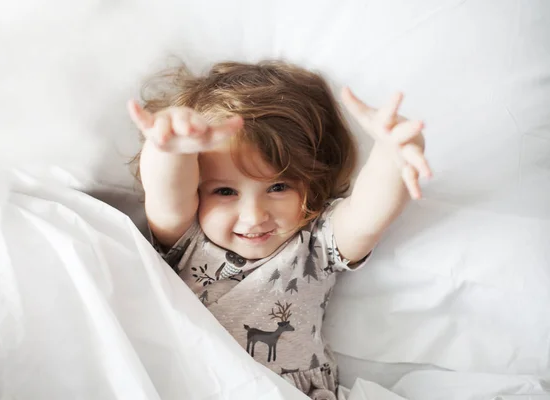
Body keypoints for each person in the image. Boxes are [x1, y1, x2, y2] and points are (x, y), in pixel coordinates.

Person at [128, 61, 431, 399]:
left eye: (278, 187)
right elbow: (166, 193)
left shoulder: (316, 244)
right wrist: (169, 148)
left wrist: (393, 154)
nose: (254, 216)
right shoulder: (188, 239)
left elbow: (368, 214)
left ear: (312, 185)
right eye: (225, 192)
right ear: (197, 191)